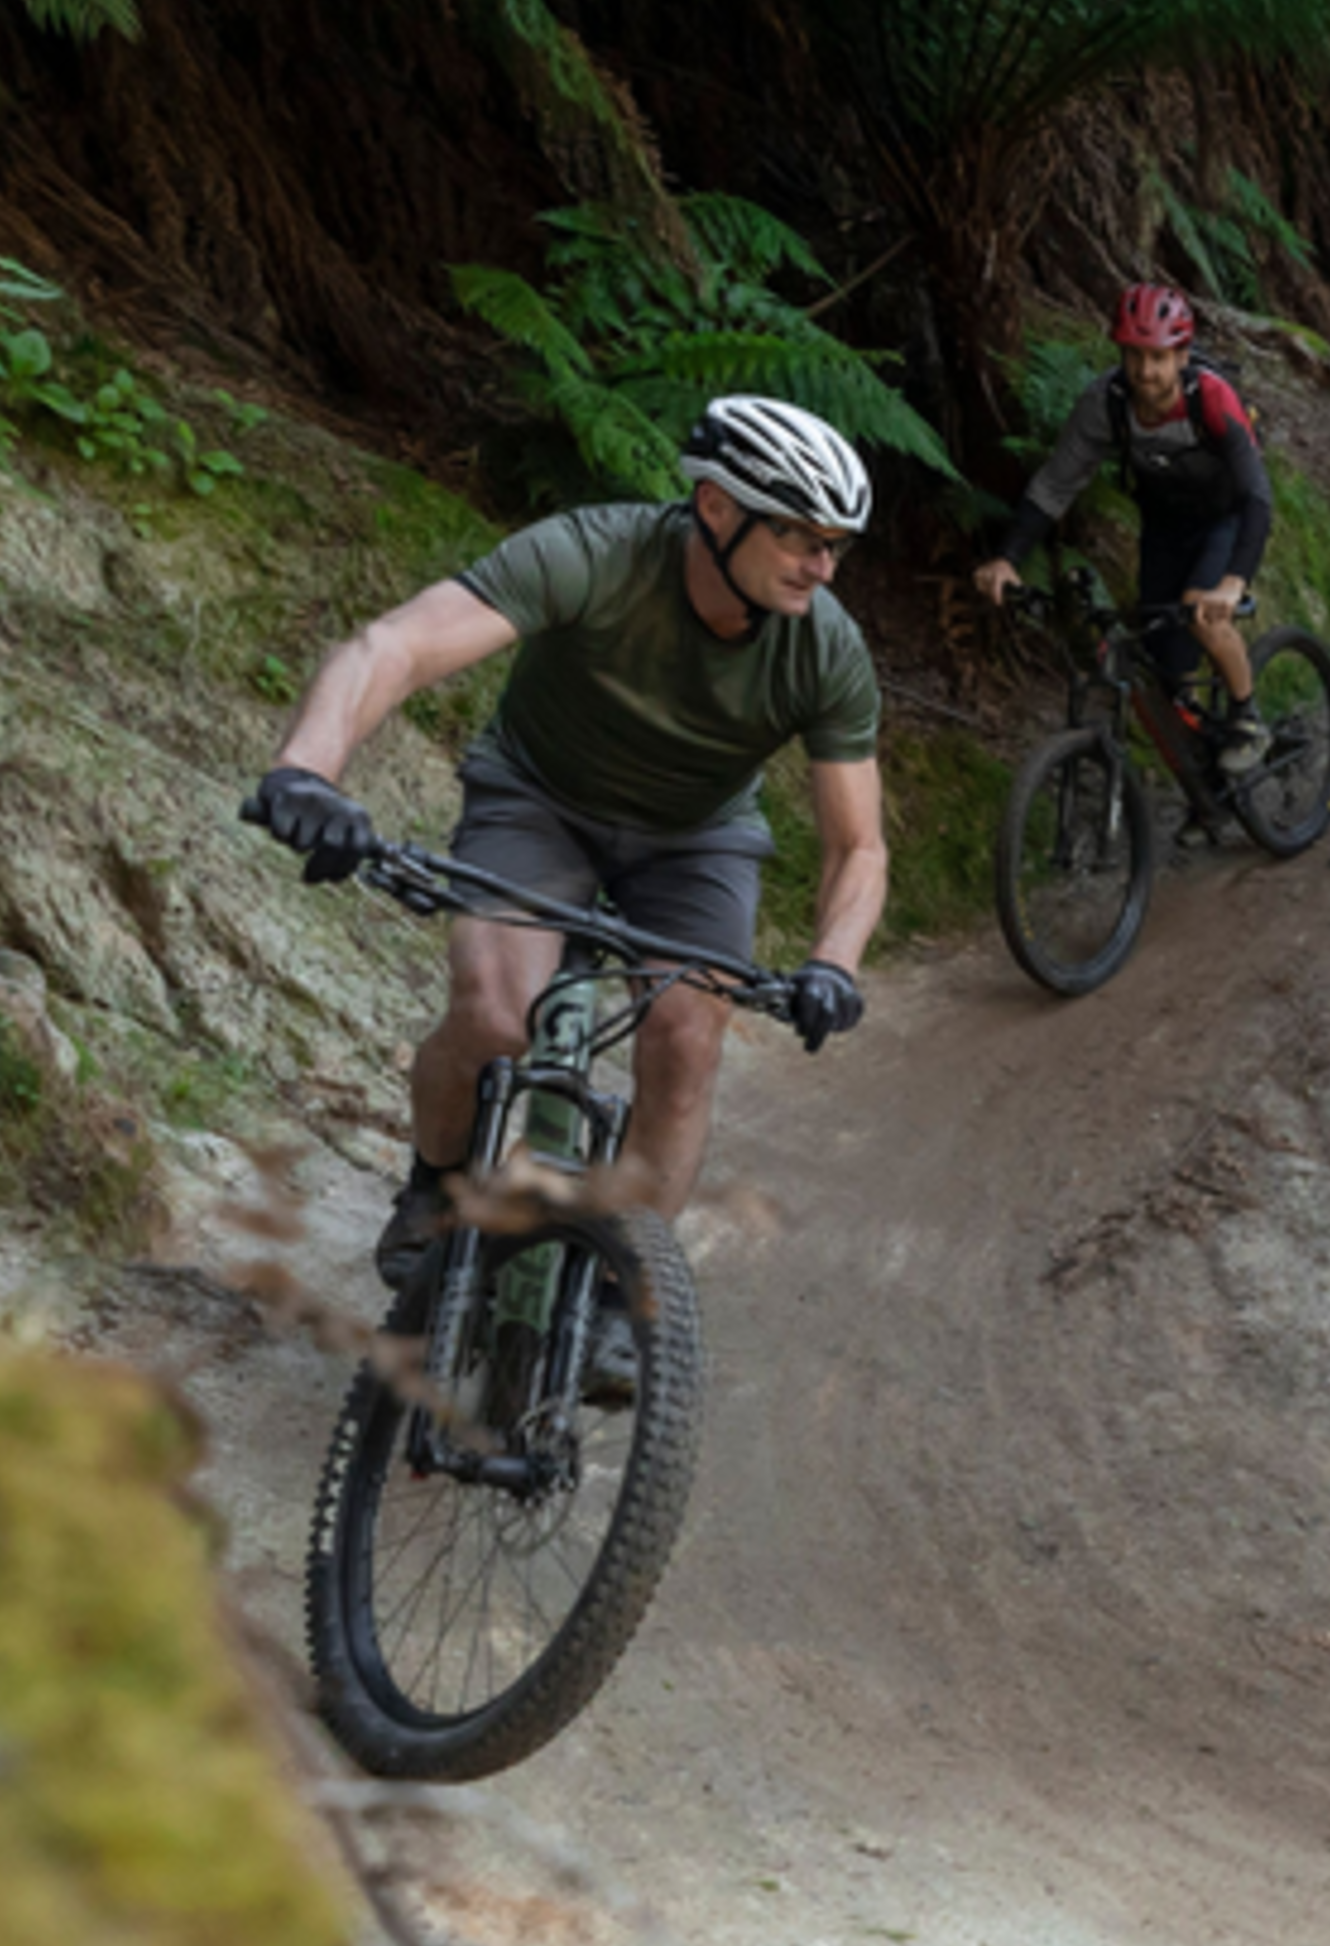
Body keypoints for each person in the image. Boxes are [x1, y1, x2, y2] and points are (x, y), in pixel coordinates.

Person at [249, 396, 887, 1380]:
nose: (823, 566)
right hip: (537, 801)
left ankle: (612, 1294)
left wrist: (832, 964)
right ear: (717, 509)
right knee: (496, 1012)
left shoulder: (824, 647)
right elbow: (397, 646)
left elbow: (859, 847)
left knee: (686, 1041)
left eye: (838, 544)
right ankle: (436, 1181)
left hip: (696, 842)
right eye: (801, 536)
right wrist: (306, 771)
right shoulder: (597, 552)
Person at [969, 283, 1277, 785]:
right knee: (1167, 667)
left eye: (1158, 357)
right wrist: (1008, 557)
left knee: (1202, 610)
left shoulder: (1211, 398)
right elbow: (1055, 485)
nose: (1145, 371)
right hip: (1163, 527)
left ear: (1181, 356)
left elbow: (1257, 498)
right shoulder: (1106, 404)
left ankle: (1247, 717)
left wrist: (1234, 582)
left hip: (1226, 517)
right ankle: (1209, 784)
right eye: (1133, 356)